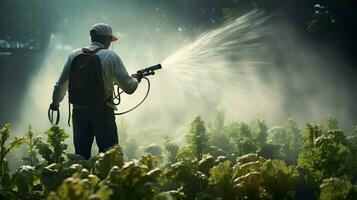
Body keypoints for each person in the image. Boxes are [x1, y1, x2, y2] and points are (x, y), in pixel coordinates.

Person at [49, 23, 139, 159]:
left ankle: (81, 179)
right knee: (109, 157)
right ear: (107, 39)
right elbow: (129, 88)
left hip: (79, 112)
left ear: (92, 38)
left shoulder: (74, 54)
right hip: (102, 112)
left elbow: (60, 84)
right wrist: (137, 79)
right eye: (110, 40)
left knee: (81, 157)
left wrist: (55, 103)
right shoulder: (111, 56)